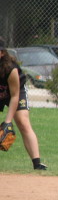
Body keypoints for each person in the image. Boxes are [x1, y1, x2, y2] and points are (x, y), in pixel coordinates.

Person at [0, 37, 47, 170]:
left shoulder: (10, 68)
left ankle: (37, 163)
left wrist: (8, 121)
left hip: (16, 92)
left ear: (2, 53)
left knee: (22, 122)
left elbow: (14, 96)